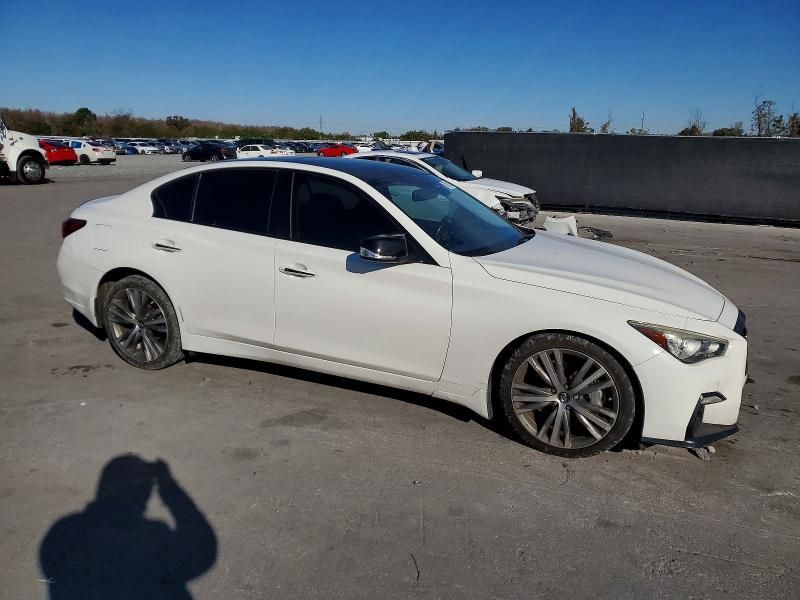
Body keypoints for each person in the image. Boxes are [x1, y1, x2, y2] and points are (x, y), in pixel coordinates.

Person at [39, 455, 217, 600]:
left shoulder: (63, 531)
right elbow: (203, 550)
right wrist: (169, 487)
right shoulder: (151, 538)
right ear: (141, 494)